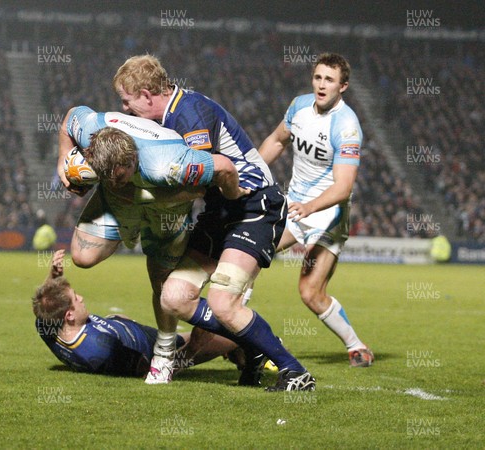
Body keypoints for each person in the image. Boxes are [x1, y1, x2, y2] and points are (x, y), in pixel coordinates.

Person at [113, 55, 315, 391]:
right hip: (220, 212)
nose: (125, 108)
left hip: (254, 207)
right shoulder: (165, 118)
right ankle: (250, 344)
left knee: (223, 303)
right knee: (173, 296)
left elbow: (198, 181)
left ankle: (294, 371)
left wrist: (143, 200)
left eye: (127, 100)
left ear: (147, 95)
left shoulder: (189, 114)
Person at [55, 106, 251, 381]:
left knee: (161, 283)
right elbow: (70, 117)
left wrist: (236, 198)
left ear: (132, 159)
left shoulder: (167, 163)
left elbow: (220, 172)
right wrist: (63, 157)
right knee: (82, 257)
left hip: (165, 210)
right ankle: (130, 231)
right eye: (109, 178)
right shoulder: (90, 130)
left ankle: (164, 354)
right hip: (120, 206)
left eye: (121, 176)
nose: (117, 182)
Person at [258, 53, 374, 367]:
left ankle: (356, 346)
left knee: (310, 292)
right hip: (296, 207)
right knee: (248, 256)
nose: (322, 85)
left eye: (330, 80)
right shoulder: (298, 106)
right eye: (318, 77)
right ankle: (247, 340)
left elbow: (343, 187)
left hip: (327, 215)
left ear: (343, 86)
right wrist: (249, 170)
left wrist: (309, 207)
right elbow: (277, 141)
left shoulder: (347, 126)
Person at [33, 250, 241, 376]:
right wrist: (193, 347)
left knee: (227, 334)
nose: (81, 298)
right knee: (232, 334)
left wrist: (52, 278)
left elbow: (43, 306)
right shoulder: (100, 350)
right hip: (160, 348)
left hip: (141, 335)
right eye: (76, 298)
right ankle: (248, 358)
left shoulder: (48, 325)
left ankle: (240, 355)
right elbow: (149, 370)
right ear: (69, 316)